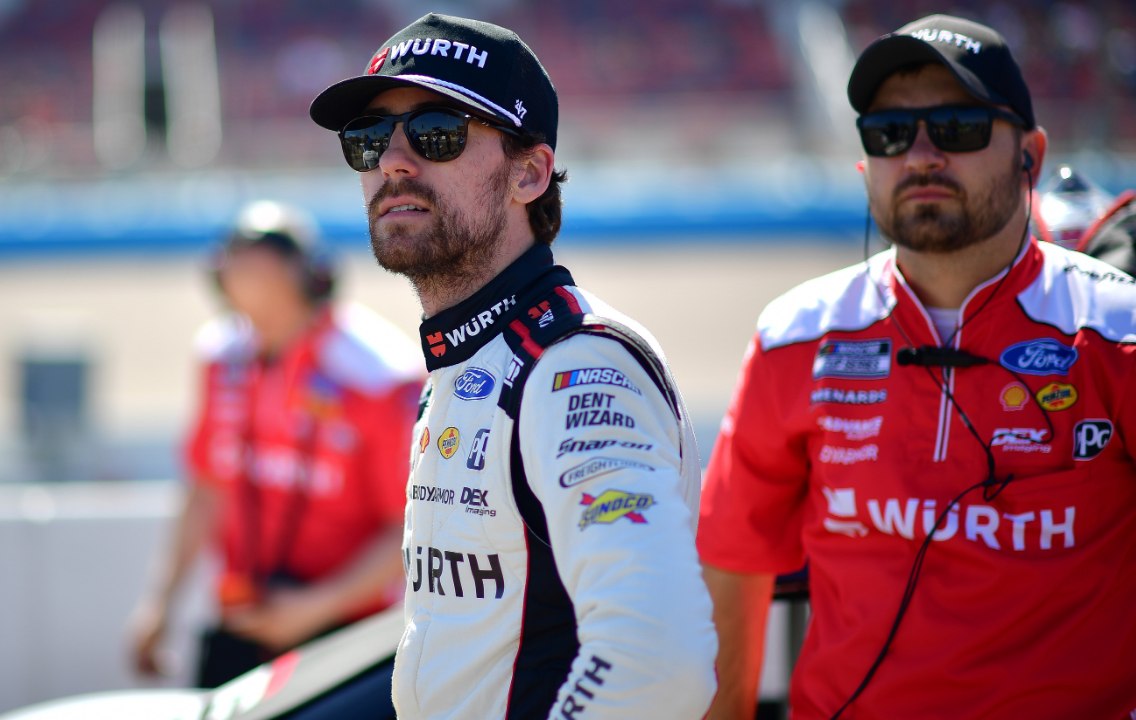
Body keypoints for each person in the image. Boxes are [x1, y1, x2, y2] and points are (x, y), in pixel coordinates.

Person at [698, 14, 1136, 720]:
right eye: (890, 134)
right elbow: (733, 562)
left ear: (1031, 153)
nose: (921, 155)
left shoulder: (1119, 336)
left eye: (957, 127)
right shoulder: (792, 337)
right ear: (865, 163)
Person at [308, 13, 717, 720]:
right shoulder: (474, 361)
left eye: (438, 132)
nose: (393, 162)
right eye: (369, 139)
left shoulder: (576, 369)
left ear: (529, 173)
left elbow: (658, 659)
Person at [129, 200, 423, 688]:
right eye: (238, 266)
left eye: (264, 266)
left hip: (351, 635)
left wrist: (316, 607)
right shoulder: (219, 357)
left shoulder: (380, 376)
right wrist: (161, 603)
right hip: (244, 620)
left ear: (311, 276)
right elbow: (206, 488)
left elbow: (413, 526)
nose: (248, 278)